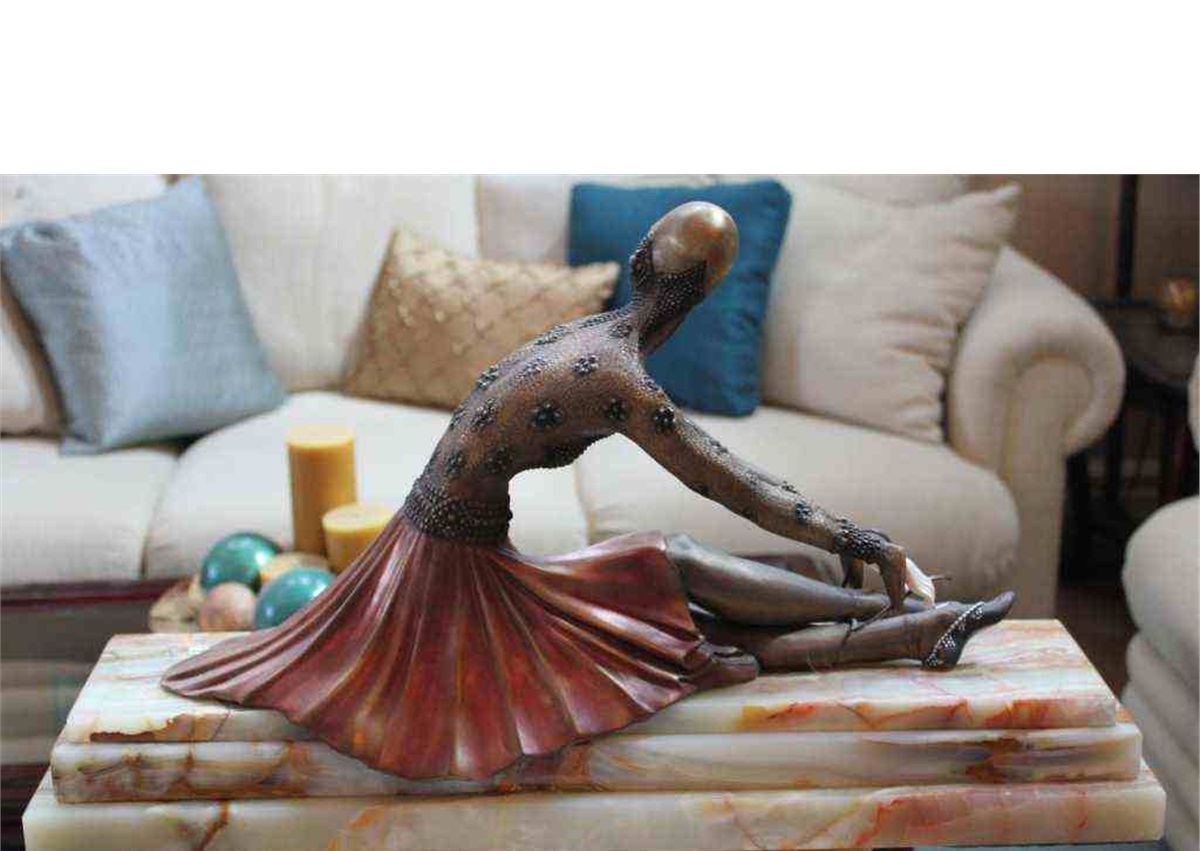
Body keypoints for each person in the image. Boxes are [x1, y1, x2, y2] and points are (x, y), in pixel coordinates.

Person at [163, 202, 1013, 781]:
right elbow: (735, 483)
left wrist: (842, 543)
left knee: (681, 613)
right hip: (448, 579)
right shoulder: (615, 376)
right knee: (675, 595)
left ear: (639, 258)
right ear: (707, 298)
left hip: (441, 546)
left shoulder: (591, 335)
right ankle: (896, 618)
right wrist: (858, 539)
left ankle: (915, 627)